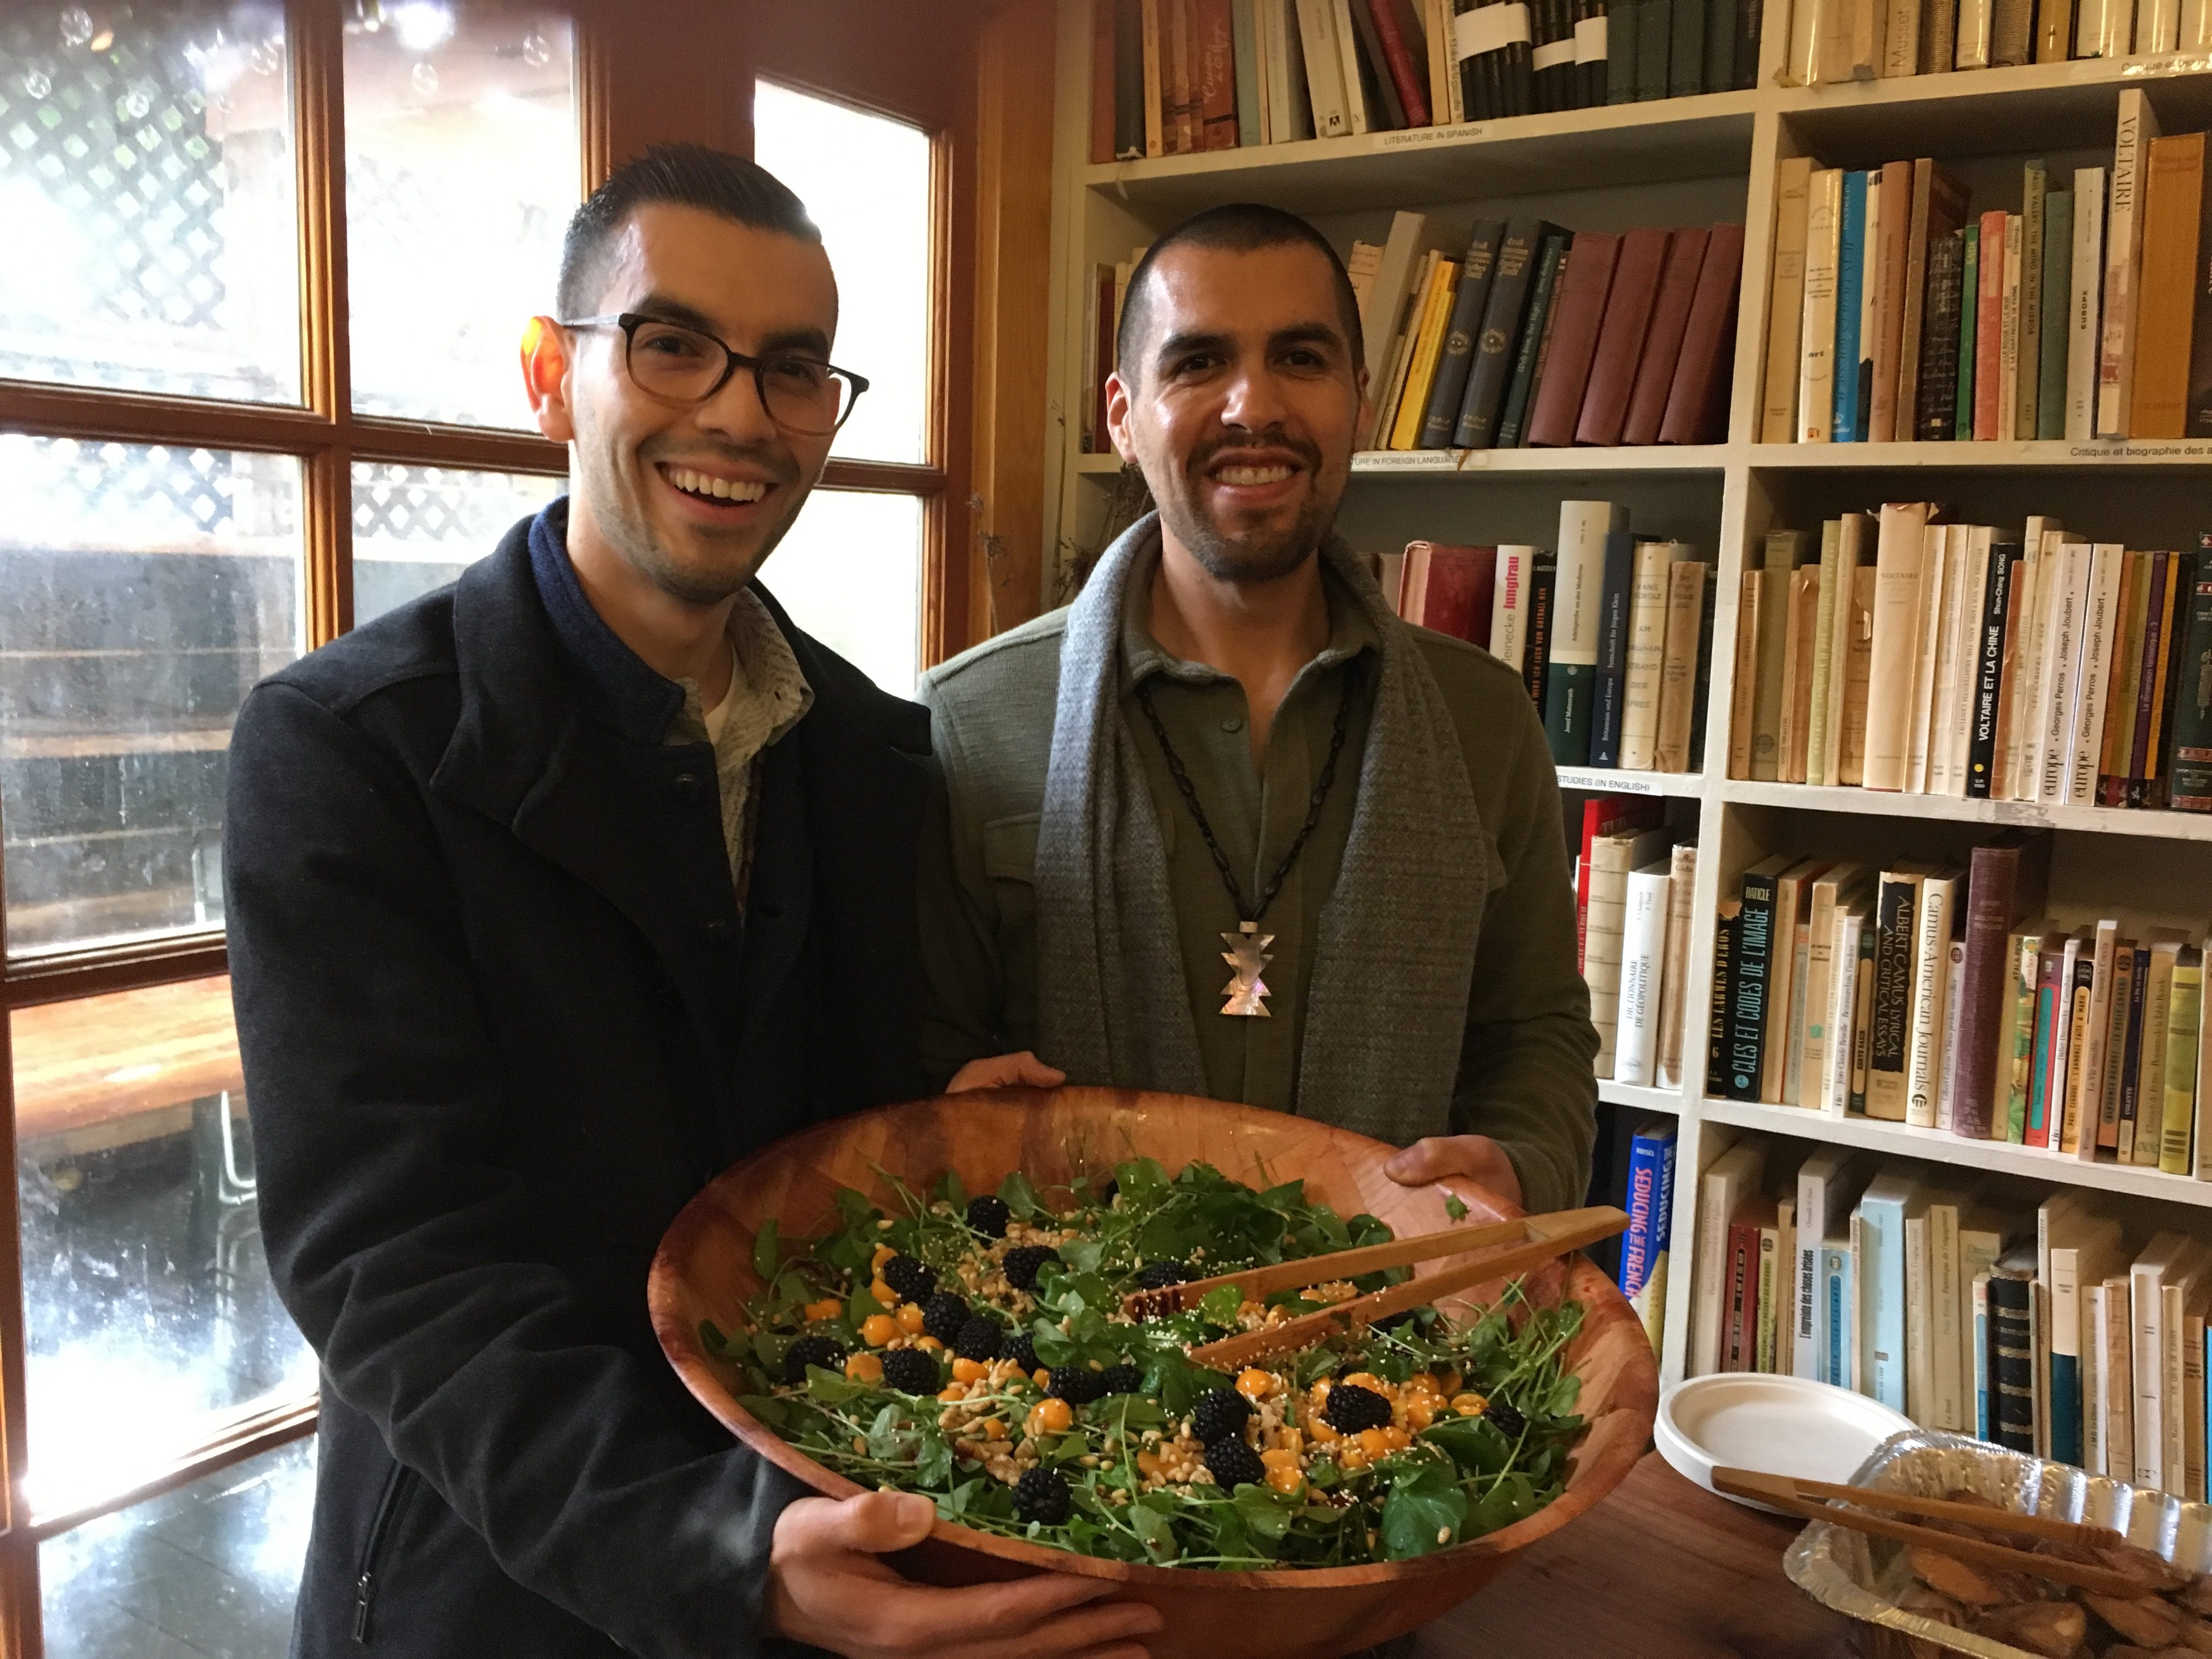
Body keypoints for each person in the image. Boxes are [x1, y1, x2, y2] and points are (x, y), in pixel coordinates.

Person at [225, 145, 1160, 1659]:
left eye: (794, 370)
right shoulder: (350, 750)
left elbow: (801, 1146)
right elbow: (395, 1268)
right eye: (673, 346)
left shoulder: (869, 751)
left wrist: (933, 1128)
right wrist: (720, 1552)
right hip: (496, 1577)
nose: (739, 413)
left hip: (829, 1522)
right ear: (553, 374)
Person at [917, 202, 1599, 1218]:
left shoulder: (1486, 722)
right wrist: (945, 1118)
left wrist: (1522, 1163)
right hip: (1064, 1343)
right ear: (1122, 415)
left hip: (1390, 1319)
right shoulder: (968, 720)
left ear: (1359, 399)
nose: (1253, 406)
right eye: (1197, 363)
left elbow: (1534, 1029)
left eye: (1301, 359)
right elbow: (929, 1060)